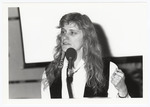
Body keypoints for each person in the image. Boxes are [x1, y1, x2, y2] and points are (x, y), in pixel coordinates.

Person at [41, 12, 130, 99]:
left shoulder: (108, 69)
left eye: (72, 32)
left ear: (86, 38)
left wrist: (122, 90)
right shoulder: (50, 72)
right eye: (63, 32)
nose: (64, 37)